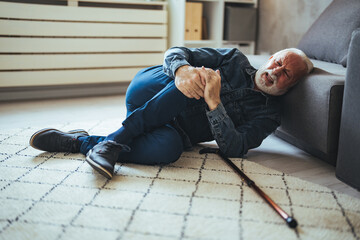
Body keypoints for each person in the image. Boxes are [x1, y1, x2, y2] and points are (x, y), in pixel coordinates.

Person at [29, 47, 313, 179]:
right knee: (196, 81)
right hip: (150, 90)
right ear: (271, 56)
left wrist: (214, 103)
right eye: (277, 62)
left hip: (173, 130)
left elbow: (236, 148)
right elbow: (175, 51)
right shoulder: (234, 59)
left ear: (294, 85)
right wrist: (183, 71)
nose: (274, 71)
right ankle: (113, 141)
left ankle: (81, 142)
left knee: (169, 151)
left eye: (285, 73)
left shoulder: (269, 116)